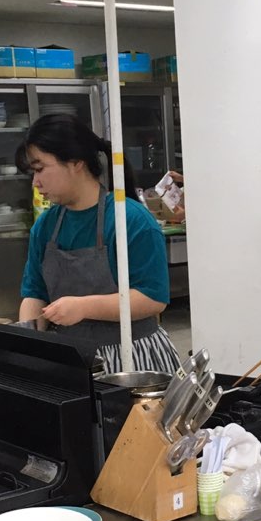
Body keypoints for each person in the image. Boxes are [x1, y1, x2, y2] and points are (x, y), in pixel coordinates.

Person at [17, 113, 180, 374]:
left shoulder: (130, 220)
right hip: (71, 358)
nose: (35, 182)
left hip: (132, 358)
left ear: (75, 163)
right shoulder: (46, 226)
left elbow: (153, 298)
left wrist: (83, 307)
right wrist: (27, 336)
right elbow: (35, 292)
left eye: (40, 169)